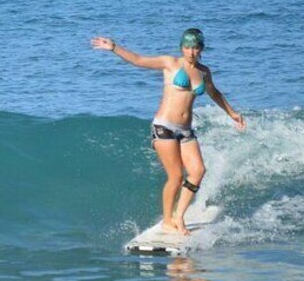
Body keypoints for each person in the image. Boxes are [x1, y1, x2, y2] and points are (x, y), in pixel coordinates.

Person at [91, 29, 245, 234]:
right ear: (182, 48)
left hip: (185, 130)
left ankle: (179, 216)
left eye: (196, 47)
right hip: (164, 126)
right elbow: (138, 60)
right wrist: (114, 48)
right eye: (188, 47)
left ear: (202, 49)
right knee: (175, 176)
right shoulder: (170, 63)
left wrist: (232, 113)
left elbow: (214, 93)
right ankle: (167, 220)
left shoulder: (204, 72)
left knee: (198, 171)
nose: (191, 51)